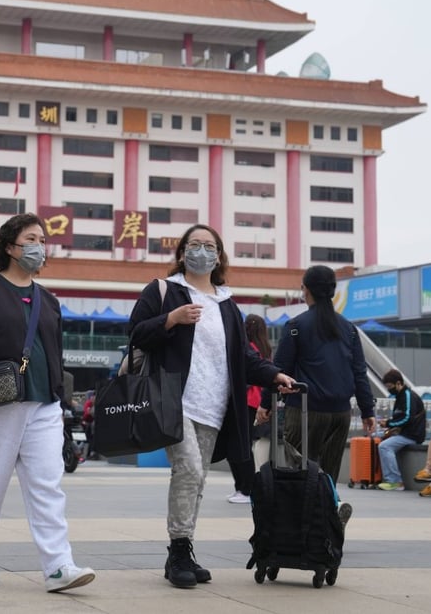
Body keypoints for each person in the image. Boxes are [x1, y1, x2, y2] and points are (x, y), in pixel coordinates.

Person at [129, 224, 293, 589]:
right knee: (188, 470)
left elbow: (244, 359)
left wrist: (275, 375)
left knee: (198, 478)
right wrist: (171, 319)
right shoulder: (164, 291)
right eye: (194, 245)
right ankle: (178, 552)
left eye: (209, 246)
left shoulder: (226, 305)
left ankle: (185, 547)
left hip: (215, 405)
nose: (201, 251)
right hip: (175, 400)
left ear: (218, 255)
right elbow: (137, 333)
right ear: (182, 252)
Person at [0, 213, 96, 593]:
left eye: (43, 240)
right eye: (31, 238)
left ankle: (58, 565)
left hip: (43, 405)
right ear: (10, 246)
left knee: (48, 485)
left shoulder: (49, 300)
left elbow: (55, 353)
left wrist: (61, 401)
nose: (39, 246)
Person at [258, 265, 375, 526]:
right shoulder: (349, 329)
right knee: (329, 472)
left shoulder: (297, 326)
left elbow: (279, 370)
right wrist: (368, 411)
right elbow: (359, 372)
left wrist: (265, 404)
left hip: (304, 411)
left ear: (305, 290)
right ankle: (328, 516)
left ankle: (299, 524)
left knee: (298, 469)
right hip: (341, 414)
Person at [227, 313, 271, 504]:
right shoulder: (265, 350)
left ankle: (245, 488)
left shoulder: (249, 349)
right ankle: (244, 488)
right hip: (255, 402)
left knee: (239, 446)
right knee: (243, 445)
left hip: (245, 401)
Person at [375, 369, 426, 491]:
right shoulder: (400, 397)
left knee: (384, 446)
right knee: (376, 437)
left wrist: (388, 423)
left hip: (411, 435)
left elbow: (407, 418)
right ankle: (379, 478)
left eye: (390, 386)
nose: (389, 389)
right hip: (404, 433)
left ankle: (395, 481)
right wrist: (390, 426)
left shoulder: (408, 396)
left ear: (398, 383)